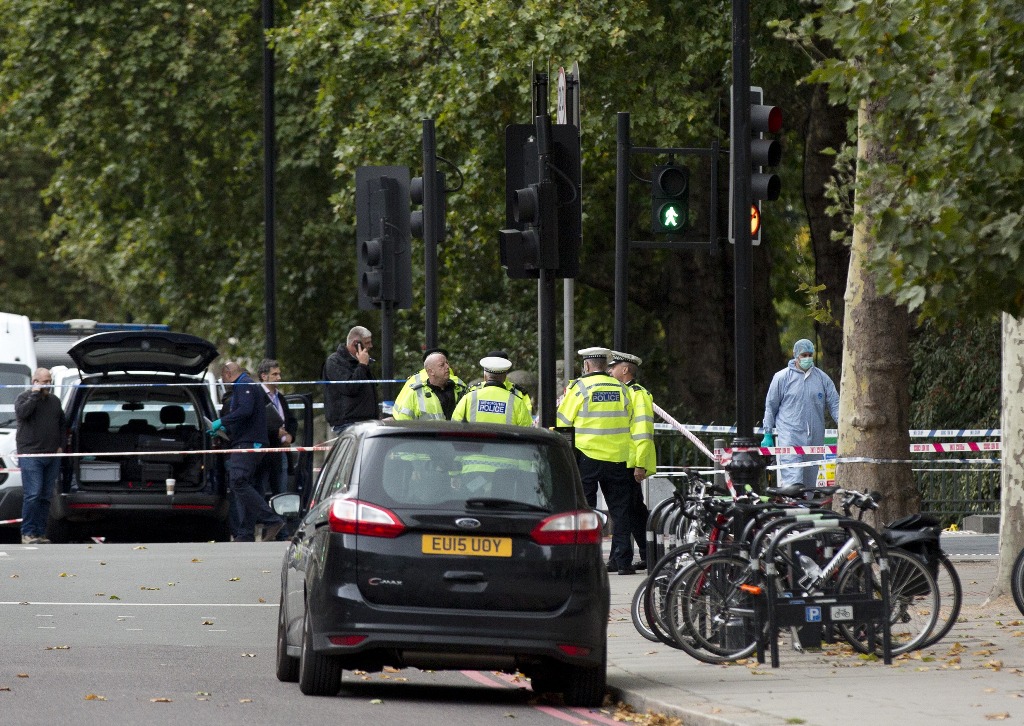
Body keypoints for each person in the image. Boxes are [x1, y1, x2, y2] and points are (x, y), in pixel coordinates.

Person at [556, 347, 637, 575]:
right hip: (618, 458)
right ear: (604, 365)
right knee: (620, 512)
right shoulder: (622, 388)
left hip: (587, 457)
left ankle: (588, 561)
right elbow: (631, 419)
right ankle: (623, 562)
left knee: (586, 511)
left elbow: (563, 422)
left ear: (587, 366)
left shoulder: (580, 388)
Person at [209, 361, 284, 542]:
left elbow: (245, 410)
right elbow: (247, 416)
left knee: (238, 481)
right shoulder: (244, 386)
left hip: (248, 444)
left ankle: (271, 520)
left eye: (223, 378)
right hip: (247, 441)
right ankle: (245, 533)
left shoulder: (244, 385)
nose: (223, 382)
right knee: (247, 484)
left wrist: (223, 422)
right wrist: (227, 430)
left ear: (227, 374)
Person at [762, 338, 841, 493]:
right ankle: (792, 514)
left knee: (809, 486)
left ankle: (805, 516)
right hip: (790, 437)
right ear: (795, 355)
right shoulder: (782, 378)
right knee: (793, 484)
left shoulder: (822, 379)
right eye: (803, 355)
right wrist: (767, 433)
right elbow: (771, 407)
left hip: (815, 440)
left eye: (810, 354)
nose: (807, 358)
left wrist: (844, 428)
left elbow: (835, 405)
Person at [608, 350, 655, 570]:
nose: (610, 370)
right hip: (623, 459)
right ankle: (649, 553)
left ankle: (621, 557)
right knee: (635, 510)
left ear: (625, 369)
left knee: (626, 511)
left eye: (613, 367)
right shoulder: (622, 392)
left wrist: (640, 464)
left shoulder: (638, 393)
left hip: (631, 462)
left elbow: (643, 432)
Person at [15, 368, 66, 544]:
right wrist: (35, 395)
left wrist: (61, 446)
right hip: (31, 455)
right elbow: (23, 414)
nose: (48, 384)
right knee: (33, 494)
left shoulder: (54, 401)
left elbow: (62, 424)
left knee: (45, 496)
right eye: (44, 382)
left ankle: (40, 533)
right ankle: (27, 533)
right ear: (35, 382)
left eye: (49, 381)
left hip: (52, 455)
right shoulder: (24, 398)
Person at [323, 326, 378, 433]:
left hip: (366, 421)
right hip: (348, 423)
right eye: (367, 343)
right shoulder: (334, 362)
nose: (371, 346)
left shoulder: (361, 361)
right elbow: (349, 388)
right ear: (356, 343)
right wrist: (362, 366)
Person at [451, 356, 533, 426]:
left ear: (485, 376)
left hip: (474, 444)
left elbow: (455, 425)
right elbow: (527, 431)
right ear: (504, 377)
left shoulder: (469, 398)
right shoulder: (517, 402)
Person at [257, 358, 297, 498]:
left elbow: (291, 420)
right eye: (274, 374)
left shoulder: (280, 397)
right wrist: (275, 433)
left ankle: (280, 518)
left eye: (279, 374)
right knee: (260, 489)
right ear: (264, 376)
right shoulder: (257, 396)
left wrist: (290, 436)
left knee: (282, 490)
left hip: (281, 452)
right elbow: (255, 423)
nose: (279, 377)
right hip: (263, 453)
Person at [392, 349, 467, 420]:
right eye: (442, 365)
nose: (447, 367)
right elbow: (404, 422)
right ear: (431, 371)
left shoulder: (460, 388)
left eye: (447, 363)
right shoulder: (416, 393)